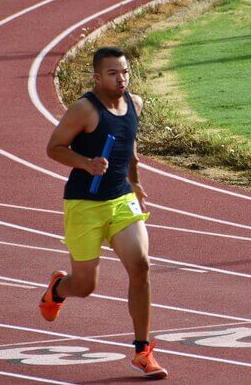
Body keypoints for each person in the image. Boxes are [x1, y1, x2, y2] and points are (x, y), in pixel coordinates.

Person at [41, 47, 167, 379]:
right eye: (113, 73)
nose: (121, 78)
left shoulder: (135, 105)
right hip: (84, 202)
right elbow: (53, 147)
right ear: (97, 77)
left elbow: (130, 150)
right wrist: (86, 164)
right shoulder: (84, 109)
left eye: (124, 72)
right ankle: (57, 289)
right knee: (84, 286)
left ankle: (142, 351)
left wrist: (135, 183)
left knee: (141, 266)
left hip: (120, 198)